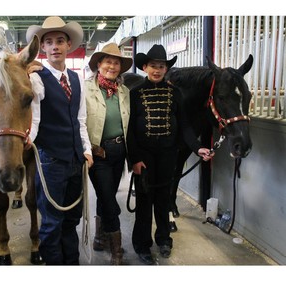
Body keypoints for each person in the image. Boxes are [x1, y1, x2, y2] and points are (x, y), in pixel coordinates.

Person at [126, 44, 214, 265]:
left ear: (166, 69)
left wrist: (197, 148)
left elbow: (184, 125)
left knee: (164, 200)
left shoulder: (175, 93)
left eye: (161, 66)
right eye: (153, 66)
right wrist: (134, 159)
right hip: (144, 156)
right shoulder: (135, 94)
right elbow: (129, 130)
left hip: (167, 155)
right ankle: (142, 244)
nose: (157, 70)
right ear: (145, 67)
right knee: (145, 202)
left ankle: (164, 239)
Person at [25, 16, 93, 265]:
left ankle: (71, 263)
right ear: (42, 48)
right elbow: (34, 119)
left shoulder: (76, 79)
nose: (55, 46)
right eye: (49, 42)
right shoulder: (36, 78)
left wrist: (87, 150)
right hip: (51, 161)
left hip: (76, 160)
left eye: (60, 41)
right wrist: (29, 142)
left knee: (72, 219)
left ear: (68, 46)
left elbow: (80, 119)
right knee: (52, 222)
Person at [85, 43, 133, 265]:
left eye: (116, 63)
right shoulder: (87, 89)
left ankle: (99, 238)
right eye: (108, 62)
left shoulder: (124, 92)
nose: (112, 66)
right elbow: (79, 122)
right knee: (109, 200)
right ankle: (117, 252)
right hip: (99, 153)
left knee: (107, 197)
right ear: (99, 64)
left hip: (119, 152)